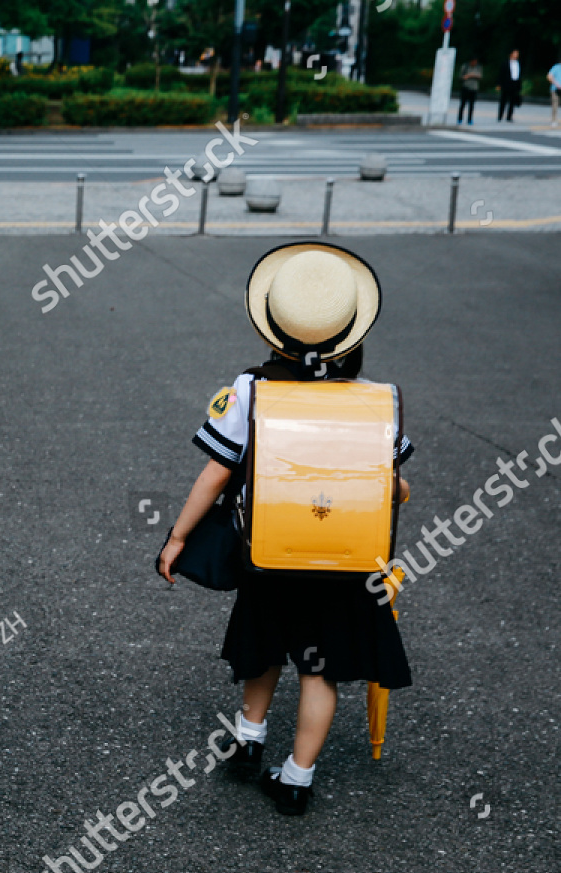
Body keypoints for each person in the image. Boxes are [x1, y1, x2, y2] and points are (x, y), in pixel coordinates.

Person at [157, 244, 414, 816]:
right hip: (345, 560)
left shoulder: (252, 391)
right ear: (351, 333)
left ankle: (249, 734)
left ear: (273, 330)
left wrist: (177, 537)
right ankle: (297, 776)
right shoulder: (376, 402)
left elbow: (215, 472)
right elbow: (394, 487)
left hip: (270, 551)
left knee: (263, 643)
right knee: (320, 669)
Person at [498, 50, 523, 122]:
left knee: (512, 101)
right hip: (506, 83)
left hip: (515, 83)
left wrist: (519, 85)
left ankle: (509, 116)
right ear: (511, 54)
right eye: (515, 53)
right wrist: (499, 84)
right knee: (503, 100)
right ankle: (500, 116)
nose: (516, 55)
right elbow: (501, 73)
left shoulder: (518, 63)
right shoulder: (505, 63)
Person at [458, 58, 482, 125]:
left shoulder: (478, 67)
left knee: (471, 105)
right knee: (463, 104)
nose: (475, 62)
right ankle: (460, 119)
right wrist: (468, 75)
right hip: (466, 87)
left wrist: (472, 75)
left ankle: (470, 119)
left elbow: (480, 76)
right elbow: (461, 77)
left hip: (474, 88)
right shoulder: (465, 66)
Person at [548, 56, 561, 127]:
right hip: (555, 89)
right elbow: (549, 76)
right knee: (555, 105)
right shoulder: (556, 67)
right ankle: (554, 120)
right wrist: (556, 84)